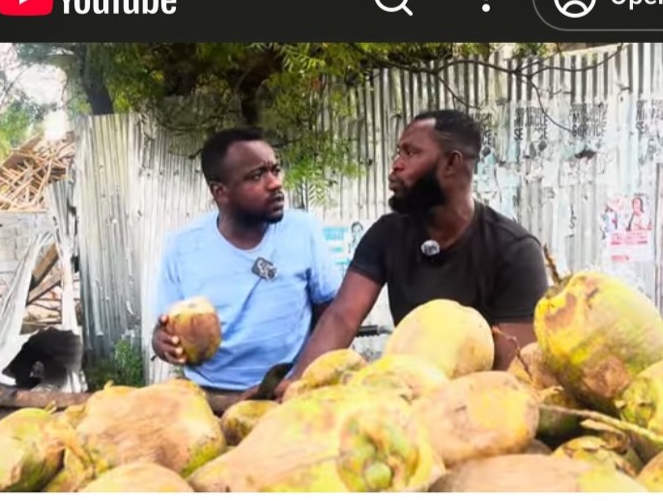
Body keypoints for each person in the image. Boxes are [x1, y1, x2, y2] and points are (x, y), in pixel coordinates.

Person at [278, 109, 549, 395]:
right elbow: (342, 316)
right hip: (405, 397)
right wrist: (297, 386)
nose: (396, 165)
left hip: (477, 411)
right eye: (399, 153)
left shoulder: (513, 250)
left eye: (410, 153)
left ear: (451, 163)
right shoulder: (387, 234)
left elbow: (514, 372)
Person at [152, 127, 342, 394]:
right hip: (210, 400)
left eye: (275, 170)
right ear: (220, 192)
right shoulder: (183, 248)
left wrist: (303, 380)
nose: (275, 183)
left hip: (291, 392)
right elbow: (164, 330)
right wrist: (162, 343)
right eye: (256, 176)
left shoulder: (302, 231)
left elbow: (333, 314)